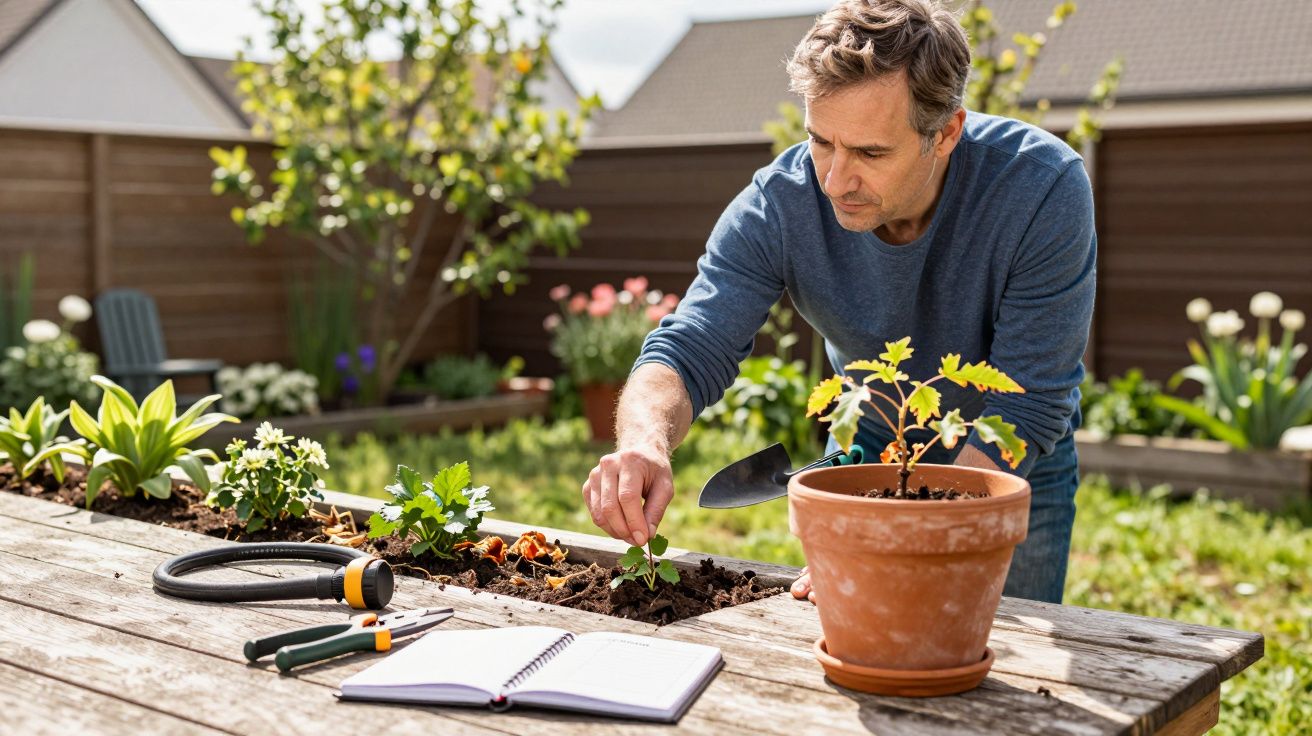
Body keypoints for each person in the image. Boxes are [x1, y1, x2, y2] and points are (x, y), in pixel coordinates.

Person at [579, 0, 1095, 605]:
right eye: (821, 141)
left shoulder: (1041, 188)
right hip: (867, 450)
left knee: (1006, 656)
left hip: (1007, 458)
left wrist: (908, 529)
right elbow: (692, 343)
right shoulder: (782, 203)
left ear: (946, 133)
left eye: (870, 153)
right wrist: (643, 441)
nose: (833, 181)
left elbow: (1029, 401)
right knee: (860, 639)